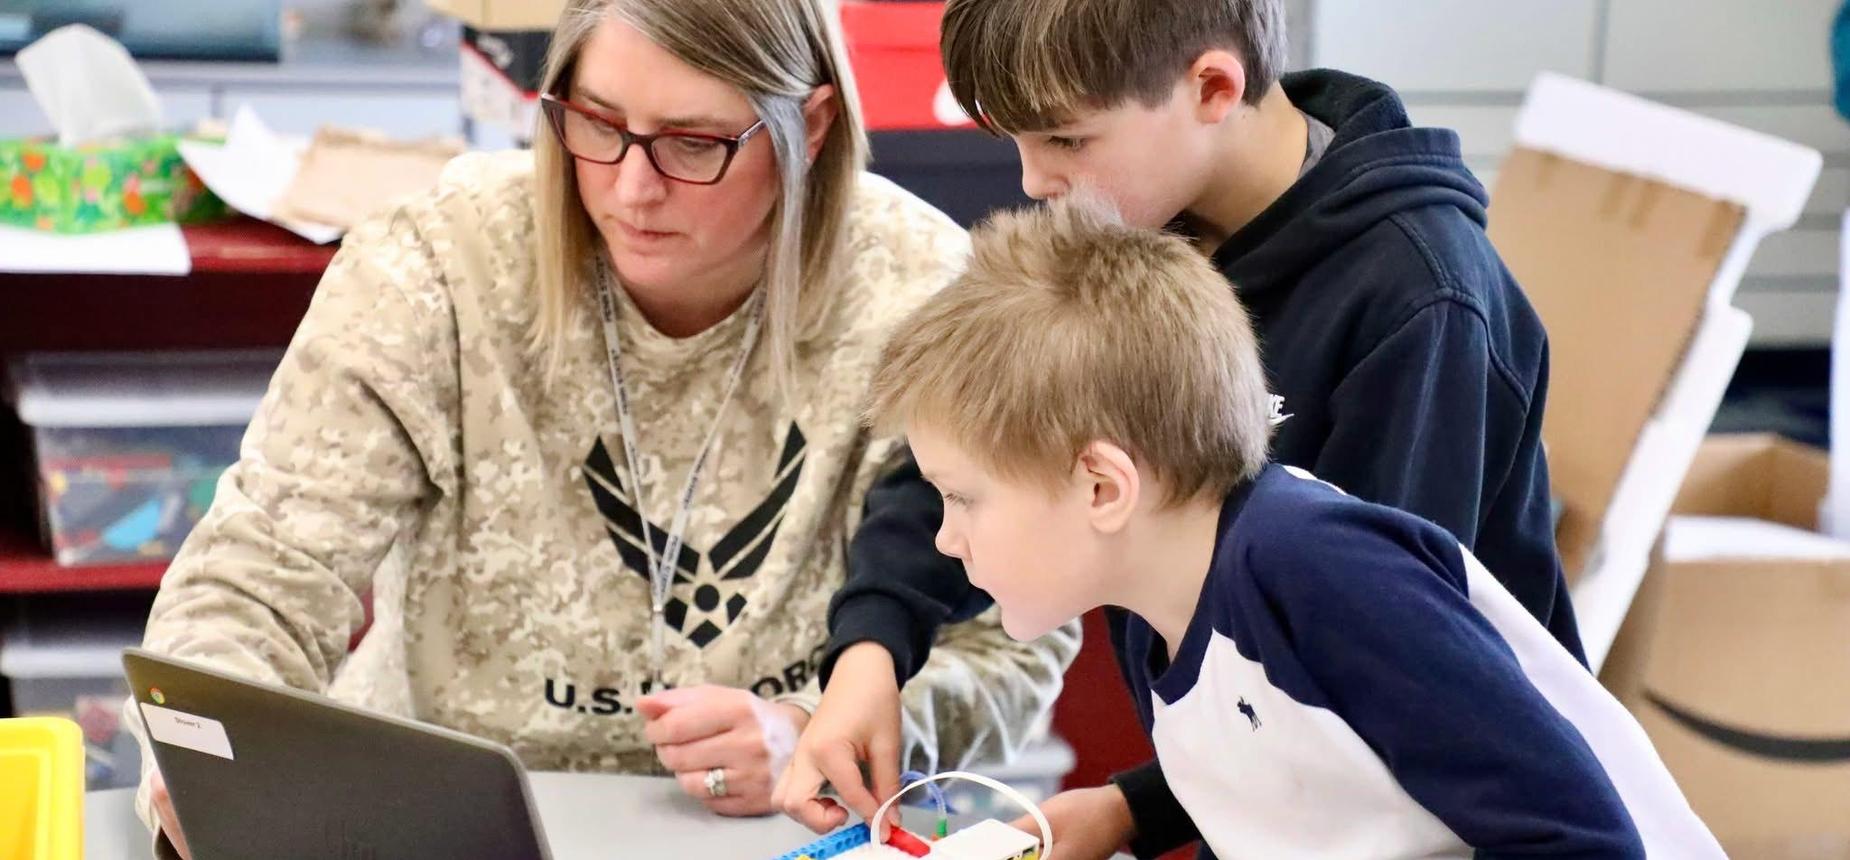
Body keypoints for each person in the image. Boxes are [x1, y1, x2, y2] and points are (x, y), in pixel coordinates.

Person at [125, 0, 1078, 856]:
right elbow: (260, 571)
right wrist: (206, 758)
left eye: (694, 144)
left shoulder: (925, 295)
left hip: (775, 832)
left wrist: (815, 727)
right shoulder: (437, 262)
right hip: (440, 816)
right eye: (598, 124)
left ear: (812, 123)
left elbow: (1011, 644)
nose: (631, 189)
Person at [779, 0, 1583, 856]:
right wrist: (872, 648)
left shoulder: (1420, 302)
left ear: (1212, 88)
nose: (1035, 181)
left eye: (1066, 139)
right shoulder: (1141, 205)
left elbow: (1361, 683)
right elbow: (983, 447)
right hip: (1254, 786)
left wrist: (1136, 806)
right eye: (1016, 141)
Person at [850, 199, 1723, 858]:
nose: (945, 539)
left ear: (1104, 488)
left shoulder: (1319, 569)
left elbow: (1583, 839)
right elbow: (1302, 775)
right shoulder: (1156, 603)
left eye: (962, 498)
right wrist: (1129, 810)